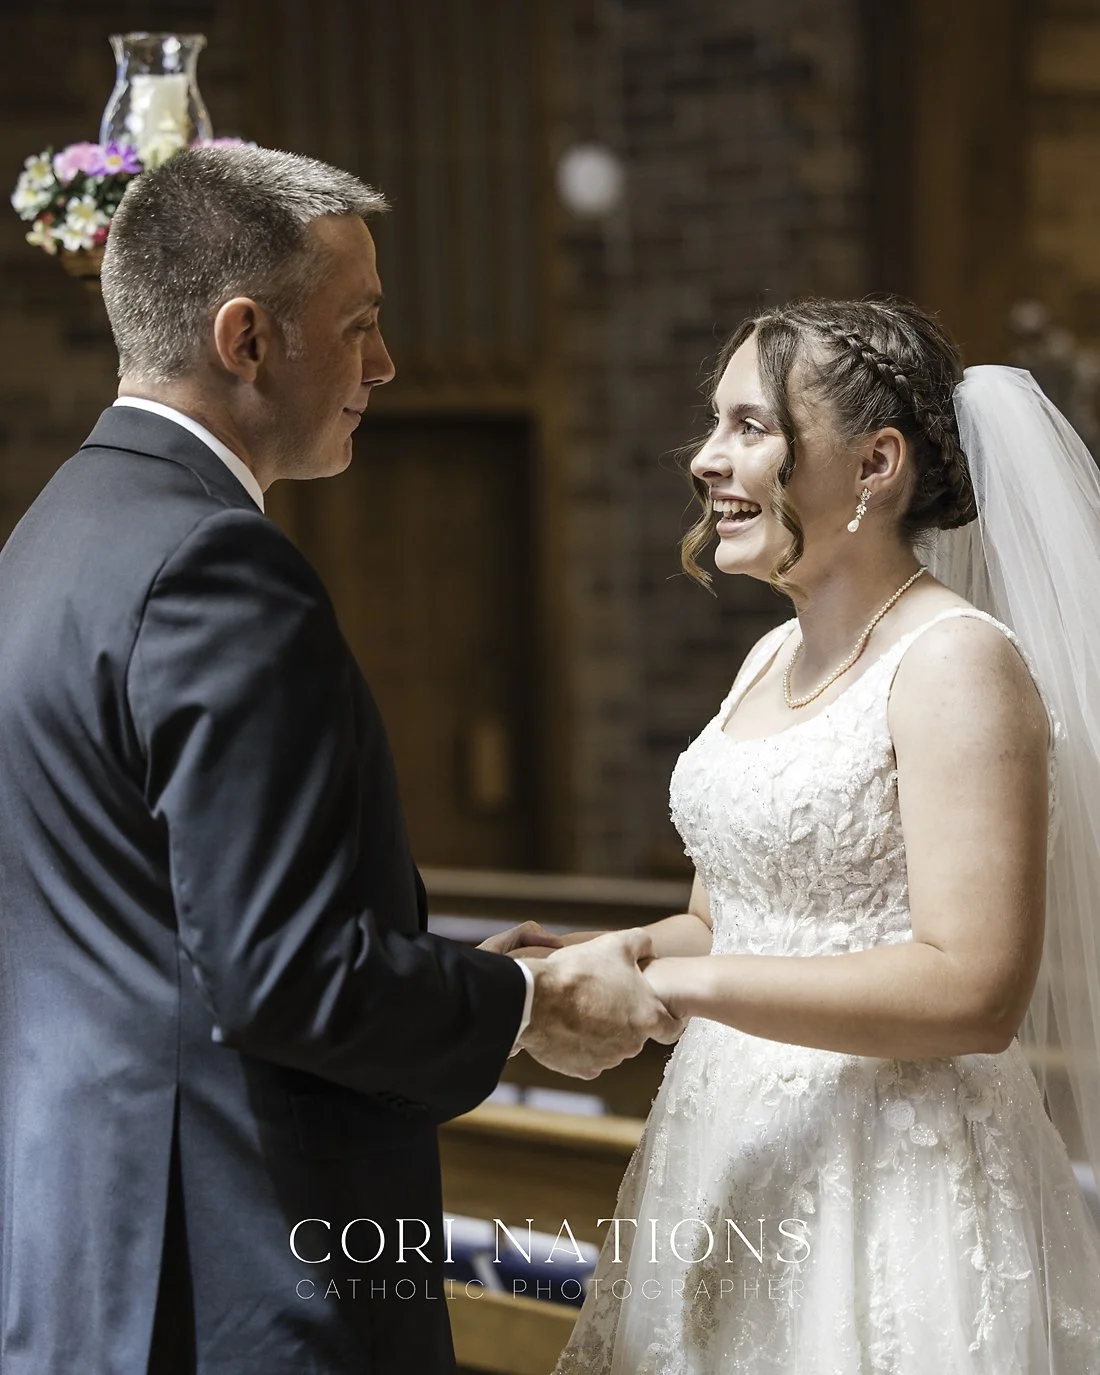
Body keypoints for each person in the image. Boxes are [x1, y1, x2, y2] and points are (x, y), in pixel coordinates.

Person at [0, 144, 681, 1375]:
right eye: (358, 324)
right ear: (246, 339)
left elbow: (161, 931)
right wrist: (531, 1001)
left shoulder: (47, 544)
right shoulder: (214, 566)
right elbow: (284, 978)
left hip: (79, 1258)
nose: (385, 364)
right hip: (233, 1271)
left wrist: (444, 978)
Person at [547, 297, 1100, 1372]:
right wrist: (585, 967)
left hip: (891, 1177)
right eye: (715, 425)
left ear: (873, 463)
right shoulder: (765, 662)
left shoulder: (953, 663)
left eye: (749, 426)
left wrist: (676, 992)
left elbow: (971, 991)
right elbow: (728, 924)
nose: (706, 459)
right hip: (724, 1146)